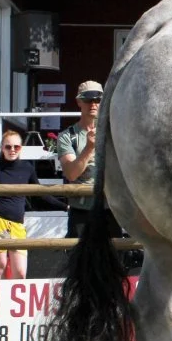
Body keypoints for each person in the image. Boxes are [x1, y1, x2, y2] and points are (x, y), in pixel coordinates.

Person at [0, 131, 64, 280]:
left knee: (20, 271)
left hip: (17, 224)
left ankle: (11, 302)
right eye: (8, 146)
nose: (12, 150)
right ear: (2, 148)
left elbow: (40, 193)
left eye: (16, 147)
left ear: (21, 148)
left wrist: (65, 207)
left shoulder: (27, 168)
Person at [57, 81, 122, 238]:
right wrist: (89, 147)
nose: (93, 104)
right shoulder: (67, 136)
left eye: (98, 99)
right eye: (88, 99)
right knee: (80, 260)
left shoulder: (116, 133)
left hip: (112, 208)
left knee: (114, 258)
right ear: (79, 101)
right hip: (81, 209)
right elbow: (71, 174)